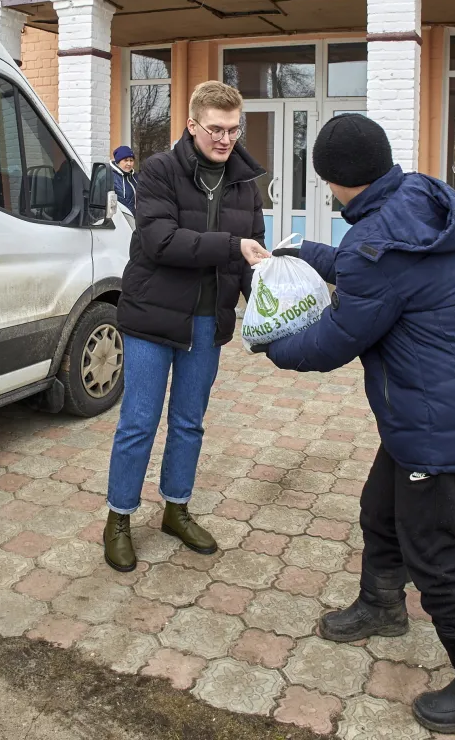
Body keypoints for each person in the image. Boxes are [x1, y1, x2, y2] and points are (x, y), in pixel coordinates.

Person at [258, 114, 455, 733]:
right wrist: (296, 251)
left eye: (324, 184)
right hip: (436, 407)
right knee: (380, 508)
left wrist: (269, 343)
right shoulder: (414, 200)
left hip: (436, 421)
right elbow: (367, 267)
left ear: (338, 182)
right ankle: (380, 604)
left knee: (432, 553)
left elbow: (337, 337)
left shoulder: (377, 243)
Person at [103, 81, 269, 573]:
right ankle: (118, 519)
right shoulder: (158, 170)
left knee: (189, 422)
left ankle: (176, 508)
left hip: (206, 322)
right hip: (152, 319)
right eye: (215, 129)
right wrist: (232, 246)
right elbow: (160, 240)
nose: (225, 139)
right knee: (138, 422)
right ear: (192, 125)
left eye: (233, 129)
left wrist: (266, 301)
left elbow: (251, 250)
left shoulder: (243, 181)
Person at [110, 145, 137, 214]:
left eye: (131, 160)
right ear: (118, 161)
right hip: (118, 220)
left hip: (135, 219)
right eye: (126, 160)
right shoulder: (110, 176)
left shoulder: (135, 177)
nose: (129, 164)